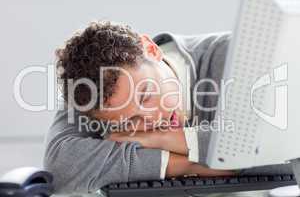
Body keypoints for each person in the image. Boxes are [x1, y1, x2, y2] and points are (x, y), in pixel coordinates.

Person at [43, 21, 292, 194]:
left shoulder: (238, 56)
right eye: (129, 123)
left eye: (147, 95)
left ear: (151, 49)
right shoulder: (93, 95)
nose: (151, 120)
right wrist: (189, 165)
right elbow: (60, 169)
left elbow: (287, 147)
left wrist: (164, 139)